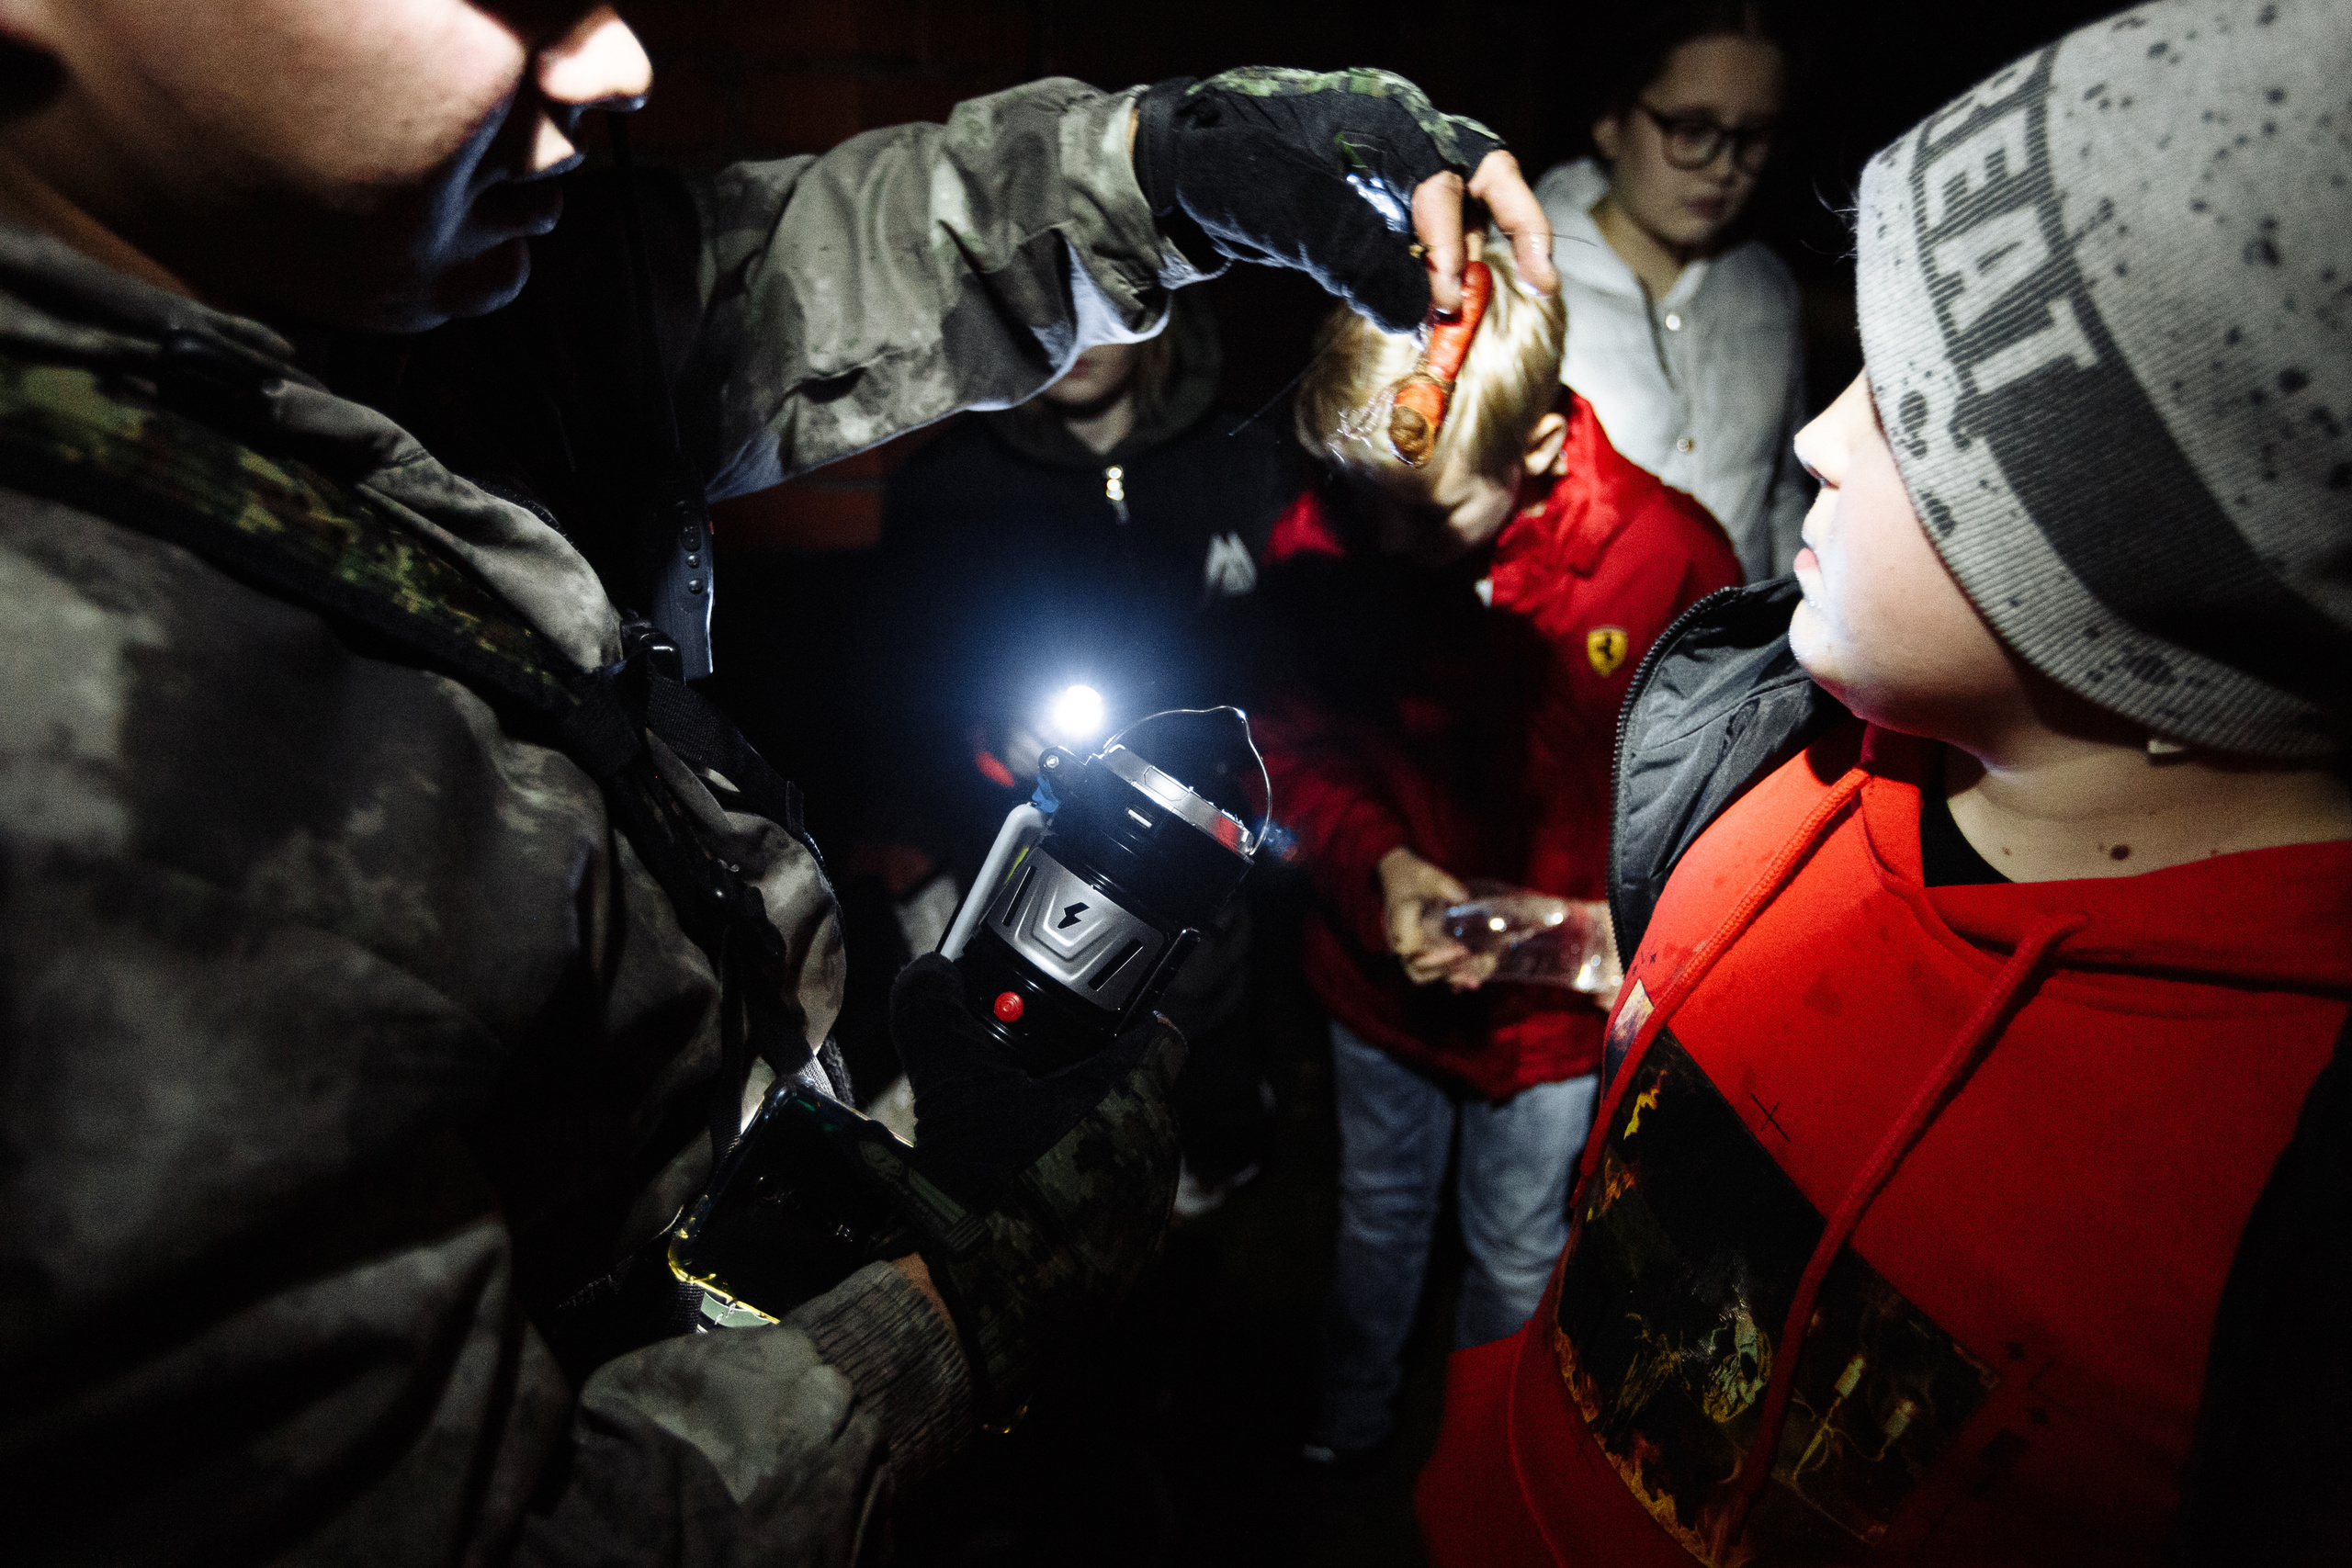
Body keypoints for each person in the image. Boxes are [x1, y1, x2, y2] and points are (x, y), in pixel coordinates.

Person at [0, 5, 1561, 1561]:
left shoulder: (337, 289)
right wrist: (947, 1311)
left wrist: (1170, 166)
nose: (620, 64)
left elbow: (760, 275)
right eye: (509, 2)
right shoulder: (69, 765)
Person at [1418, 2, 2352, 1562]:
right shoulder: (1752, 741)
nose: (1819, 437)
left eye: (1926, 427)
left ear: (2131, 591)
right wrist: (1591, 947)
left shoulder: (2293, 1200)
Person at [1256, 231, 1740, 1469]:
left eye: (1424, 518)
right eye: (1363, 503)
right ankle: (1342, 1443)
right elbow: (1292, 739)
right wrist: (1377, 873)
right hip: (1377, 974)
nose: (1387, 540)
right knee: (1376, 1219)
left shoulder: (1669, 559)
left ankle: (1483, 1474)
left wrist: (1600, 931)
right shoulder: (1334, 535)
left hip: (1555, 1024)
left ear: (1531, 449)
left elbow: (1710, 805)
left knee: (1523, 1246)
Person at [860, 289, 1307, 1202]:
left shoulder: (1247, 460)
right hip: (1010, 862)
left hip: (1202, 880)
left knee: (1193, 1106)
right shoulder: (950, 489)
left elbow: (1298, 671)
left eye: (1110, 294)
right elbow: (898, 695)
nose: (1083, 328)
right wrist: (992, 739)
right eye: (1047, 292)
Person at [1534, 0, 1811, 581]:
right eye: (1692, 130)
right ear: (1611, 120)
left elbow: (1781, 496)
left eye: (1754, 136)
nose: (1724, 166)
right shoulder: (1526, 280)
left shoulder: (1768, 291)